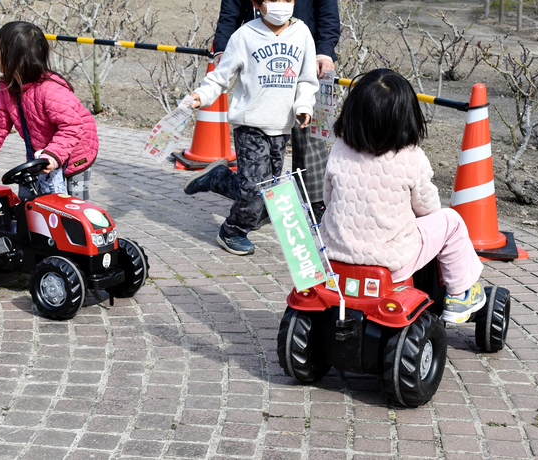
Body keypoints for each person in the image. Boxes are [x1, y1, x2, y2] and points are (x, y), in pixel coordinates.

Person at [320, 69, 486, 324]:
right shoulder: (411, 157)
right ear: (406, 118)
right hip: (391, 261)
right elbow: (427, 208)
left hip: (336, 256)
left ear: (353, 112)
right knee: (450, 221)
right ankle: (459, 294)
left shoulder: (340, 149)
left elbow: (328, 198)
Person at [183, 0, 318, 256]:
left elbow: (307, 79)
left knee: (266, 190)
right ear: (257, 3)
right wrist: (202, 95)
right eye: (273, 0)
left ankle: (218, 178)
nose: (282, 5)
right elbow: (221, 76)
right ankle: (232, 231)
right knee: (255, 189)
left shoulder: (302, 34)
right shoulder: (244, 35)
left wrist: (304, 106)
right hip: (250, 124)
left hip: (282, 125)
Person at [212, 0, 340, 223]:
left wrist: (324, 52)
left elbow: (328, 12)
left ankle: (317, 204)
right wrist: (222, 49)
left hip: (306, 60)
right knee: (261, 156)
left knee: (310, 138)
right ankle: (255, 204)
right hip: (259, 64)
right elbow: (229, 12)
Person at [0, 21, 98, 200]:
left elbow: (72, 127)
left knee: (74, 208)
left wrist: (53, 154)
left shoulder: (51, 90)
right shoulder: (8, 88)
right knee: (36, 204)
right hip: (44, 156)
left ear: (12, 58)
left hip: (76, 155)